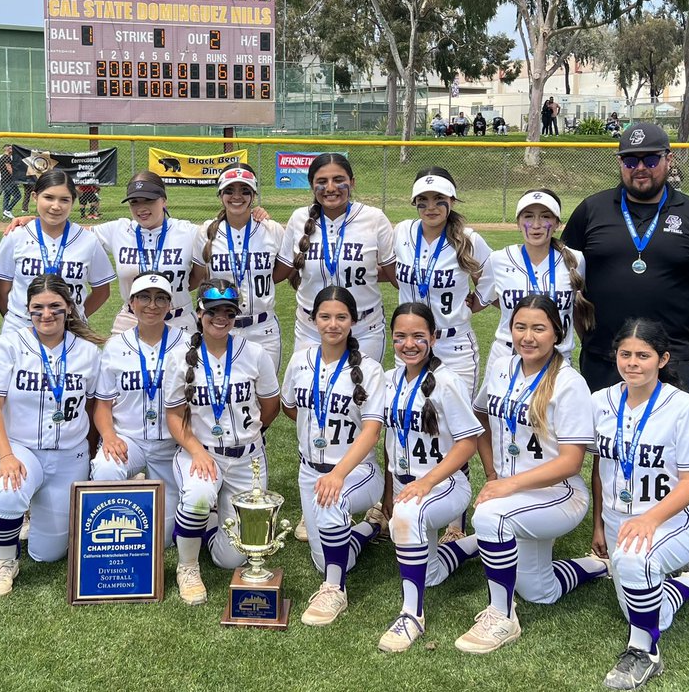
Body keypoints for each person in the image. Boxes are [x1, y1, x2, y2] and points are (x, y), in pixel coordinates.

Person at [452, 296, 607, 653]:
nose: (528, 336)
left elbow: (571, 462)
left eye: (539, 328)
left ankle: (501, 615)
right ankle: (598, 567)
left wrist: (506, 484)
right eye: (520, 326)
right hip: (514, 491)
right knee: (540, 591)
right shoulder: (503, 368)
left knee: (490, 517)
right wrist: (492, 472)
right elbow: (480, 418)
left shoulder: (569, 382)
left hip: (559, 494)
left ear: (558, 332)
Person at [590, 319, 689, 689]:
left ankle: (644, 654)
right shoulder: (599, 402)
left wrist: (650, 520)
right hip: (617, 519)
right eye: (626, 354)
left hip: (674, 519)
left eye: (644, 355)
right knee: (643, 609)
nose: (633, 363)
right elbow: (599, 468)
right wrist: (597, 524)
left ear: (662, 359)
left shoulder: (683, 406)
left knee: (633, 563)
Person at [561, 123, 689, 393]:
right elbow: (566, 275)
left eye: (650, 159)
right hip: (605, 356)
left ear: (669, 160)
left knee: (664, 435)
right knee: (604, 435)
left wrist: (688, 303)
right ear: (620, 162)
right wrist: (587, 329)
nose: (640, 168)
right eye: (630, 160)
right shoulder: (591, 210)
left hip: (671, 357)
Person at [0, 273, 104, 597]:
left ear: (70, 309)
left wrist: (94, 451)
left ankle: (35, 516)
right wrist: (5, 456)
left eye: (55, 307)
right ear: (27, 309)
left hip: (68, 455)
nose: (46, 314)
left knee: (48, 554)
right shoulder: (8, 346)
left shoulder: (87, 352)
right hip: (20, 447)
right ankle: (5, 559)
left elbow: (94, 406)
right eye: (38, 308)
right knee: (8, 491)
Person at [371, 303, 482, 653]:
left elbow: (468, 443)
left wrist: (426, 482)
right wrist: (390, 491)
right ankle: (478, 545)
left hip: (445, 485)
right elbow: (391, 441)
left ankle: (411, 614)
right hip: (407, 484)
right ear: (392, 338)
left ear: (433, 338)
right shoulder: (389, 379)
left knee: (405, 520)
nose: (409, 344)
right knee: (429, 573)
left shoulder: (447, 381)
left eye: (419, 336)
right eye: (401, 336)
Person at [163, 280, 281, 606]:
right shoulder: (180, 357)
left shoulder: (254, 353)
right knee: (200, 495)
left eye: (229, 312)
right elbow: (174, 415)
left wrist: (252, 434)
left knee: (230, 559)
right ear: (199, 312)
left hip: (247, 459)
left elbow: (269, 405)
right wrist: (198, 451)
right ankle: (187, 567)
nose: (221, 318)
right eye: (213, 311)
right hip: (202, 453)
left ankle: (207, 525)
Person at [281, 286, 387, 626]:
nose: (333, 324)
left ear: (353, 321)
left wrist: (339, 472)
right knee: (326, 557)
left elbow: (372, 430)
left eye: (341, 317)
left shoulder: (369, 369)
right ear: (313, 320)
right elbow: (289, 407)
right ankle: (370, 529)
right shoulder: (300, 361)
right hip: (310, 470)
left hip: (358, 472)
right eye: (325, 316)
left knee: (331, 507)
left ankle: (334, 591)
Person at [90, 272, 187, 543]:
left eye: (160, 298)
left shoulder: (188, 344)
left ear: (170, 305)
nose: (152, 305)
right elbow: (103, 405)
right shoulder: (115, 346)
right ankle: (114, 527)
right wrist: (109, 437)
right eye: (144, 297)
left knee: (164, 538)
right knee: (106, 469)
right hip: (129, 440)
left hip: (171, 445)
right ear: (131, 303)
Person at [276, 153, 396, 362]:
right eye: (322, 182)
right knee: (310, 392)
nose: (330, 188)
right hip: (311, 328)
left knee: (361, 392)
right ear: (312, 186)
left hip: (364, 328)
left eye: (339, 180)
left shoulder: (374, 218)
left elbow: (395, 275)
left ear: (352, 182)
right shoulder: (299, 218)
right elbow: (282, 271)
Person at [391, 168, 491, 394]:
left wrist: (478, 302)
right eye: (423, 200)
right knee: (409, 415)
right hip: (410, 343)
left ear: (452, 201)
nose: (431, 207)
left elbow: (492, 276)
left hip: (453, 346)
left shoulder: (468, 238)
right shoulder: (403, 231)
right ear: (414, 202)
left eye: (439, 199)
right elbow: (390, 268)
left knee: (458, 422)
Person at [0, 170, 115, 336]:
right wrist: (16, 318)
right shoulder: (16, 236)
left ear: (73, 202)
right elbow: (1, 288)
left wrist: (77, 316)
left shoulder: (88, 240)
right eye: (49, 197)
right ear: (35, 197)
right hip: (21, 327)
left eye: (64, 200)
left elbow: (102, 291)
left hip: (69, 329)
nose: (56, 206)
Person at [477, 189, 594, 364]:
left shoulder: (575, 259)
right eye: (528, 216)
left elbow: (577, 308)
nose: (536, 224)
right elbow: (481, 300)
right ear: (518, 222)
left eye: (546, 216)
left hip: (557, 357)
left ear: (557, 224)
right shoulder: (499, 259)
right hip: (508, 356)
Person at [194, 163, 287, 374]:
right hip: (222, 326)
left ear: (253, 195)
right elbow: (201, 278)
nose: (237, 196)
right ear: (220, 195)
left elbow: (281, 272)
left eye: (245, 191)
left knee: (265, 396)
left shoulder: (270, 229)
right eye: (229, 190)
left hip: (263, 328)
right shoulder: (206, 232)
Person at [92, 172, 205, 335]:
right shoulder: (118, 230)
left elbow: (196, 277)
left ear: (164, 200)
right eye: (134, 202)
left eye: (149, 200)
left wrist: (254, 215)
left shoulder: (188, 232)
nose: (141, 208)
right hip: (131, 321)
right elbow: (70, 233)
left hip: (178, 321)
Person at [0, 144, 19, 219]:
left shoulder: (6, 157)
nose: (12, 150)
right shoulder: (6, 157)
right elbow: (9, 169)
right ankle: (8, 210)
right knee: (17, 196)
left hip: (4, 181)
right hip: (8, 181)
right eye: (10, 148)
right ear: (7, 149)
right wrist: (16, 177)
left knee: (7, 196)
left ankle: (5, 214)